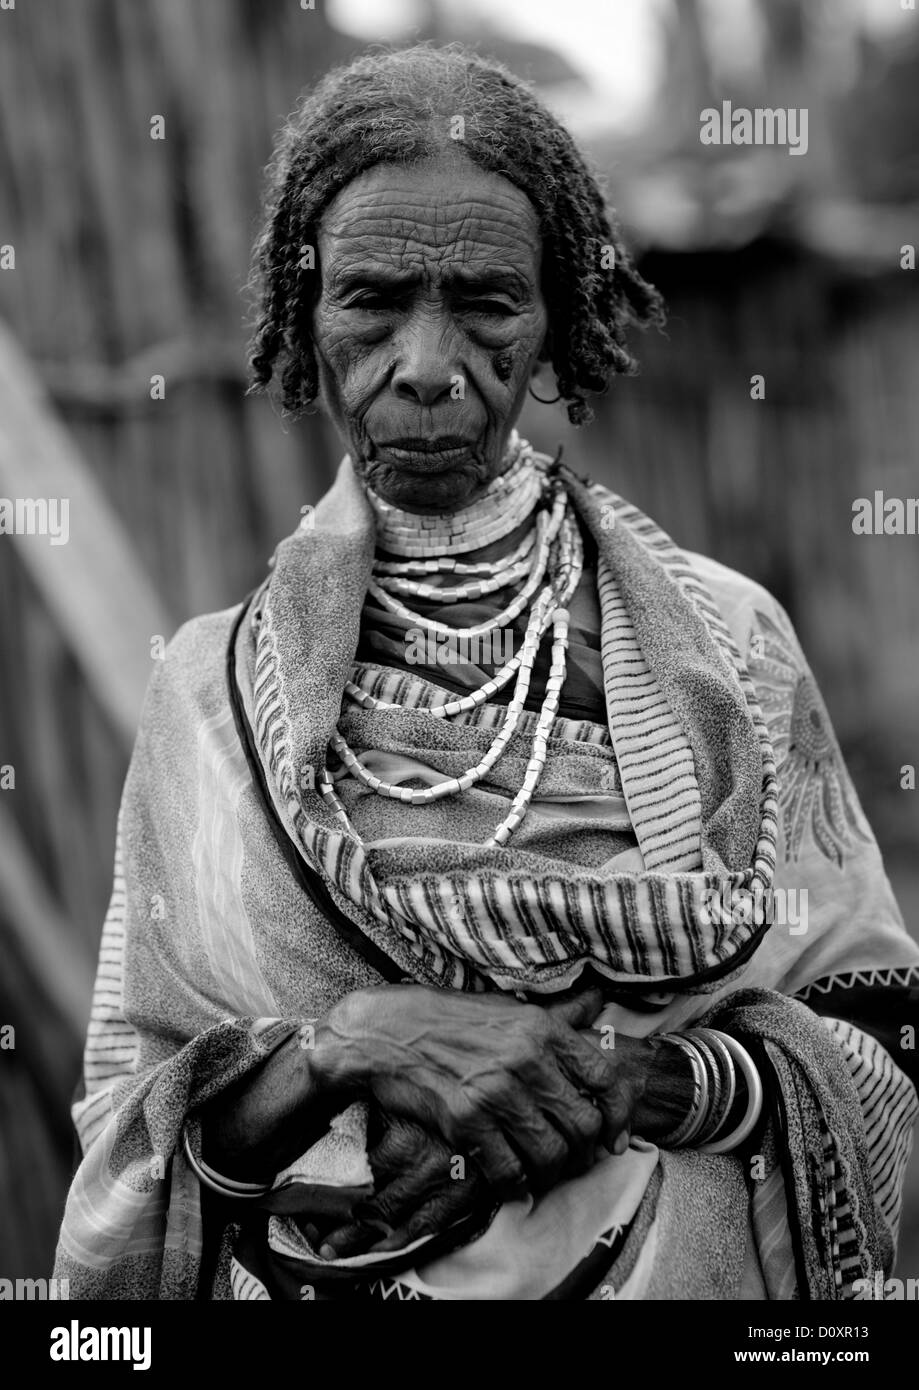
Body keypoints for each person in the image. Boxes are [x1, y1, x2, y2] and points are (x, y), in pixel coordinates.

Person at [55, 44, 918, 1301]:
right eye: (370, 299)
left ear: (557, 319)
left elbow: (879, 1052)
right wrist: (350, 1046)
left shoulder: (726, 653)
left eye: (485, 302)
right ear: (304, 323)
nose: (425, 363)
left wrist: (628, 1084)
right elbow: (134, 1162)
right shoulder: (213, 697)